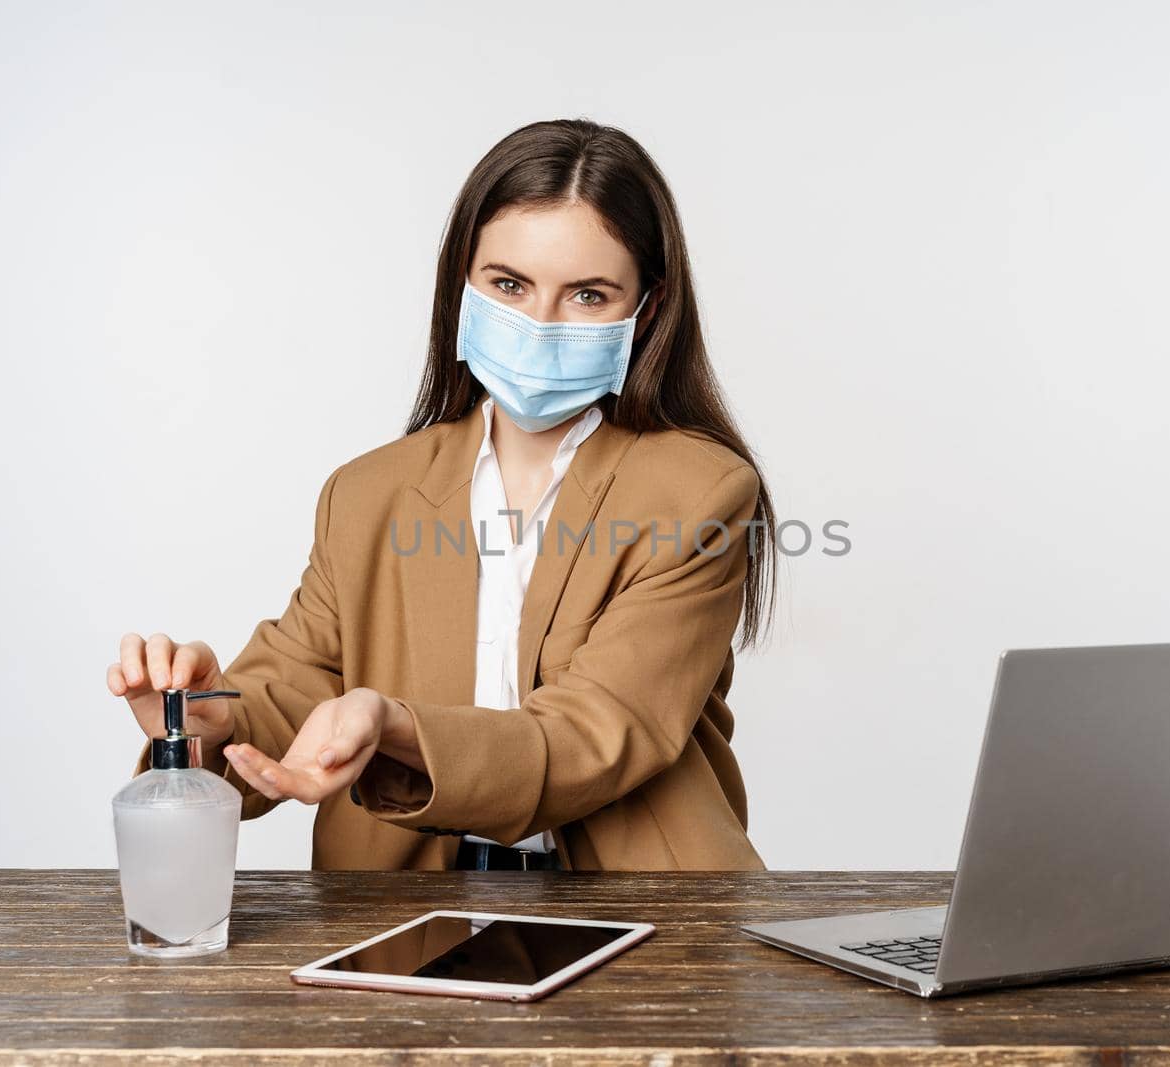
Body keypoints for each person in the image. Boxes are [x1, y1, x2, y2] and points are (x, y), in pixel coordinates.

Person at [107, 118, 776, 871]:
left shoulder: (701, 493)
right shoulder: (367, 494)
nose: (539, 324)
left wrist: (392, 724)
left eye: (587, 295)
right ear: (463, 281)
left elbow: (600, 731)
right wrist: (200, 722)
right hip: (405, 915)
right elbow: (294, 684)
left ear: (644, 312)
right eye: (509, 285)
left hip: (638, 917)